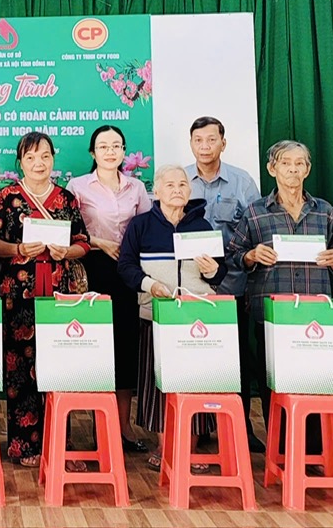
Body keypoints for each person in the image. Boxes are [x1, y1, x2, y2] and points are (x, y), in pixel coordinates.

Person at [226, 140, 333, 454]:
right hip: (271, 312)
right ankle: (281, 450)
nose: (293, 170)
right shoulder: (255, 211)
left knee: (314, 381)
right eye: (285, 163)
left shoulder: (325, 211)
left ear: (308, 169)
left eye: (299, 163)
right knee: (273, 382)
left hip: (314, 312)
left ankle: (314, 451)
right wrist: (251, 255)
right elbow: (235, 255)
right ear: (271, 169)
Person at [0, 131, 90, 466]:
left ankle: (61, 445)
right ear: (20, 162)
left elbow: (83, 242)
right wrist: (18, 248)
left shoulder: (66, 198)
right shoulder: (7, 197)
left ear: (53, 159)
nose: (38, 163)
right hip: (18, 296)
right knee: (20, 369)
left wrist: (66, 251)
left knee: (61, 366)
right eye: (30, 157)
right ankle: (24, 445)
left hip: (60, 293)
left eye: (44, 156)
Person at [118, 164, 226, 473]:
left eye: (182, 185)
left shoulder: (202, 226)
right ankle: (165, 447)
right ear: (157, 191)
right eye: (170, 185)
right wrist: (149, 285)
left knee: (194, 382)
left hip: (195, 319)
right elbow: (125, 266)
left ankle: (189, 448)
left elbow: (220, 272)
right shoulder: (141, 225)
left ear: (190, 191)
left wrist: (212, 271)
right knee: (157, 385)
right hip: (155, 315)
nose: (177, 189)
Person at [67, 125, 152, 454]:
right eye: (103, 146)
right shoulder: (77, 186)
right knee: (91, 347)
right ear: (93, 152)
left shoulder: (137, 187)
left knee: (125, 348)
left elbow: (145, 228)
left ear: (124, 151)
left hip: (127, 272)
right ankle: (94, 426)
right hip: (90, 269)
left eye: (116, 145)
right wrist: (99, 242)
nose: (110, 151)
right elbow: (69, 230)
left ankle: (122, 427)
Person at [184, 116, 266, 451]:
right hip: (192, 287)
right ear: (191, 144)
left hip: (233, 284)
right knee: (194, 356)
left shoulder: (242, 182)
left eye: (211, 140)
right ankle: (200, 427)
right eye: (198, 140)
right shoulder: (181, 181)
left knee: (238, 360)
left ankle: (241, 428)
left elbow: (257, 231)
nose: (204, 146)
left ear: (223, 143)